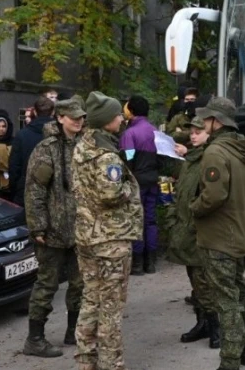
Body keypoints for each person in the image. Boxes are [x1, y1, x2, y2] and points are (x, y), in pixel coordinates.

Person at [72, 91, 143, 370]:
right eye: (116, 115)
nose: (120, 118)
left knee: (90, 299)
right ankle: (111, 364)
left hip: (87, 236)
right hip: (111, 239)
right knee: (111, 307)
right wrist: (129, 186)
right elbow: (111, 194)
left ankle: (85, 360)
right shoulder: (106, 155)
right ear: (105, 121)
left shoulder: (83, 146)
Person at [191, 97, 245, 370]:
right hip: (240, 233)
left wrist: (193, 207)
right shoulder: (241, 149)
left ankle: (229, 361)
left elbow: (214, 196)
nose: (204, 122)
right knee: (240, 291)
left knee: (226, 300)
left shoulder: (216, 152)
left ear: (216, 122)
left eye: (207, 119)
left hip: (219, 238)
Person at [22, 98, 87, 358]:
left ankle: (74, 330)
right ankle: (34, 338)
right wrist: (38, 226)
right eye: (73, 117)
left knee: (79, 284)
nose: (79, 121)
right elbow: (34, 191)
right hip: (52, 231)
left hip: (80, 229)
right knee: (46, 285)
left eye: (81, 117)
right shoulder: (45, 149)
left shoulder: (84, 145)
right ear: (60, 118)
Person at [166, 116, 221, 349]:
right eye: (191, 131)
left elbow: (212, 197)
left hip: (201, 231)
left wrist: (192, 214)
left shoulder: (209, 159)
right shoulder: (191, 159)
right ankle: (202, 323)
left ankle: (215, 326)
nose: (193, 135)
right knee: (195, 279)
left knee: (204, 281)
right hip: (186, 230)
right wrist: (172, 218)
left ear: (209, 133)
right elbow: (181, 192)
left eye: (198, 131)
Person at [119, 95, 161, 275]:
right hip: (153, 180)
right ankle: (150, 262)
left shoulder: (130, 134)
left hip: (136, 182)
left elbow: (128, 159)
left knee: (136, 220)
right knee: (150, 220)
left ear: (131, 111)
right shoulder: (155, 131)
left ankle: (137, 264)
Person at [10, 96, 55, 206]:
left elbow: (14, 167)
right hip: (53, 191)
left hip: (26, 190)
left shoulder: (22, 135)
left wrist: (15, 190)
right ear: (53, 112)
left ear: (34, 111)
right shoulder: (59, 134)